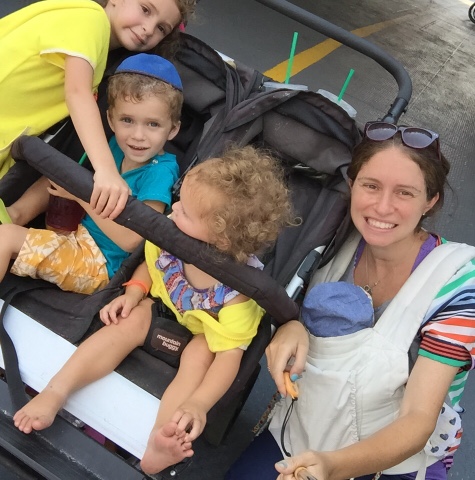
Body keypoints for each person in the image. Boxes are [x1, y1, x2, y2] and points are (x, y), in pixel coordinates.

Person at [12, 145, 296, 475]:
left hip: (207, 332)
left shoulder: (238, 296)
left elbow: (229, 359)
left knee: (199, 358)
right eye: (179, 201)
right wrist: (133, 293)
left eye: (184, 211)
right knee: (126, 322)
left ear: (220, 239)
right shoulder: (173, 238)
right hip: (162, 307)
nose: (173, 210)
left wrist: (200, 403)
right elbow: (152, 266)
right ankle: (55, 392)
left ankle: (160, 441)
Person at [226, 121, 475, 480]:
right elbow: (288, 301)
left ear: (430, 201)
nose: (382, 207)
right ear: (352, 185)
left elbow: (418, 418)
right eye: (370, 186)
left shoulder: (460, 281)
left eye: (405, 193)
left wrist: (333, 466)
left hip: (393, 462)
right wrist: (290, 324)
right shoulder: (330, 239)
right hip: (306, 428)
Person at [0, 53, 182, 294]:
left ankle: (9, 225)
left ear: (173, 129)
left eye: (153, 124)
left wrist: (80, 195)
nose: (138, 135)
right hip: (74, 232)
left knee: (5, 237)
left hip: (98, 263)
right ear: (111, 120)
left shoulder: (161, 171)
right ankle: (14, 213)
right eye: (127, 120)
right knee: (57, 175)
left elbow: (132, 241)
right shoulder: (114, 147)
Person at [0, 0, 195, 223]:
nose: (149, 29)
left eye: (161, 28)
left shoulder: (95, 44)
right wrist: (106, 171)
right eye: (145, 9)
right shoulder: (90, 20)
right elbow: (77, 93)